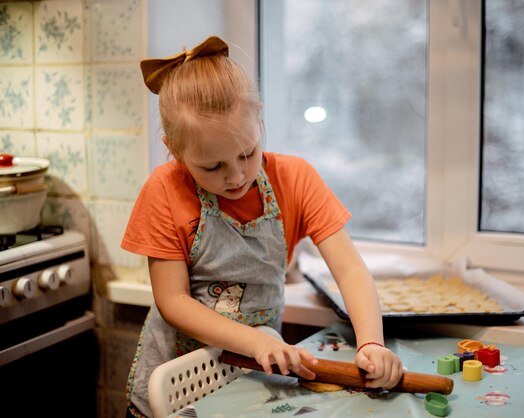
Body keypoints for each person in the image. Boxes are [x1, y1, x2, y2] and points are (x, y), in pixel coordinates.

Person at [121, 35, 404, 418]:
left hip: (247, 383)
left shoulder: (296, 179)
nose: (236, 176)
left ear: (260, 120)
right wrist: (254, 341)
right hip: (176, 388)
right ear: (173, 149)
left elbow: (350, 270)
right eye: (212, 166)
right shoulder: (164, 188)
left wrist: (372, 342)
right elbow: (173, 302)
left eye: (247, 152)